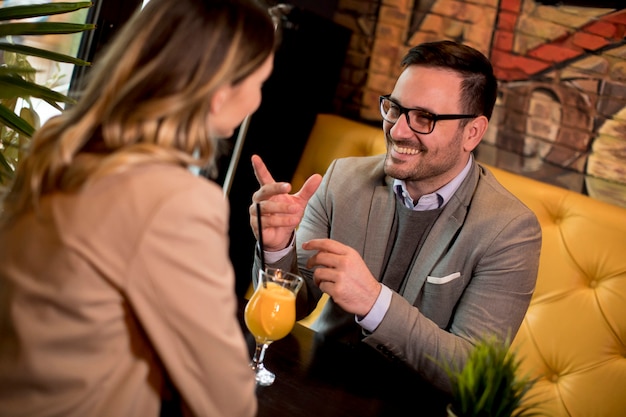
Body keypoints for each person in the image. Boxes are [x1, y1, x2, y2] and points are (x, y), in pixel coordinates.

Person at [0, 0, 276, 416]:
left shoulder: (58, 140)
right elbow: (225, 399)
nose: (257, 101)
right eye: (259, 82)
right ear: (219, 93)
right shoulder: (174, 200)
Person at [248, 40, 542, 397]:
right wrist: (278, 247)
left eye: (425, 118)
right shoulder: (343, 179)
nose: (398, 130)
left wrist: (375, 302)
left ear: (472, 133)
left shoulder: (510, 231)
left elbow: (473, 375)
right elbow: (296, 305)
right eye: (395, 108)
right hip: (315, 384)